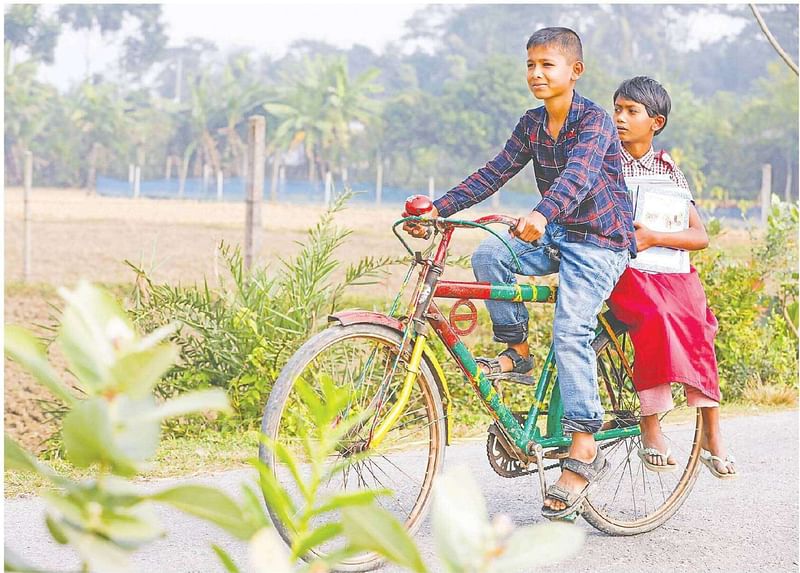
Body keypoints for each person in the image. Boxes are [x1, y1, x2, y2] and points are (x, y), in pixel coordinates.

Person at [404, 27, 636, 519]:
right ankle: (518, 352)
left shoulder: (594, 122)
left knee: (571, 331)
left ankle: (584, 443)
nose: (536, 74)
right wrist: (439, 210)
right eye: (530, 64)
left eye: (547, 65)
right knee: (490, 255)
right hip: (556, 233)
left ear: (575, 71)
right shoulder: (532, 124)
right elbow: (494, 171)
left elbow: (578, 176)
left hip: (599, 240)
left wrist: (543, 214)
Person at [607, 76, 736, 478]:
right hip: (628, 268)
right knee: (657, 316)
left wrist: (656, 236)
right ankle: (651, 423)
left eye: (632, 111)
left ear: (656, 122)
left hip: (671, 266)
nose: (620, 118)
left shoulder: (668, 170)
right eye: (618, 109)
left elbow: (699, 235)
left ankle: (712, 432)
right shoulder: (604, 161)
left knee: (701, 322)